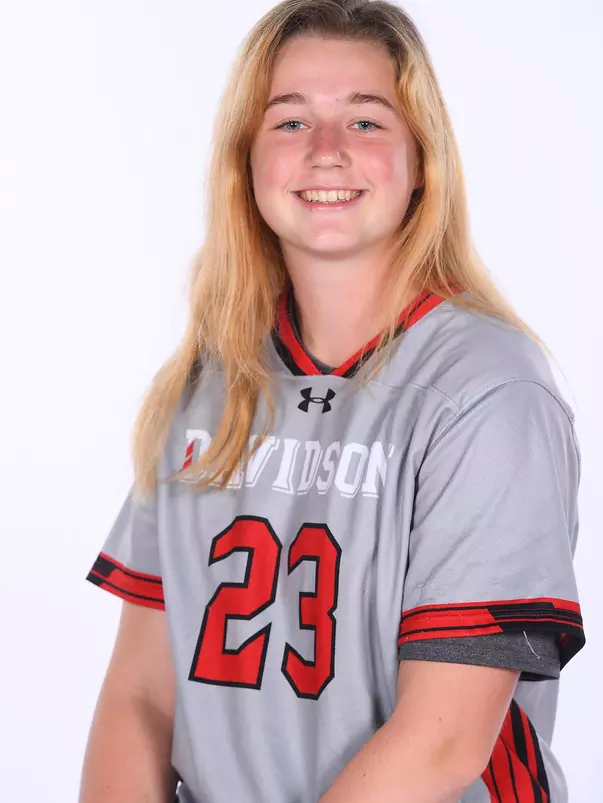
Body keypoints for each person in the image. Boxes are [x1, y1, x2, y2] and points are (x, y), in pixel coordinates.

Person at [79, 1, 586, 801]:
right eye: (287, 123)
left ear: (423, 160)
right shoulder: (203, 389)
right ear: (243, 160)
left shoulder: (487, 390)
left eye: (365, 122)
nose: (324, 151)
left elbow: (443, 741)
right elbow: (139, 694)